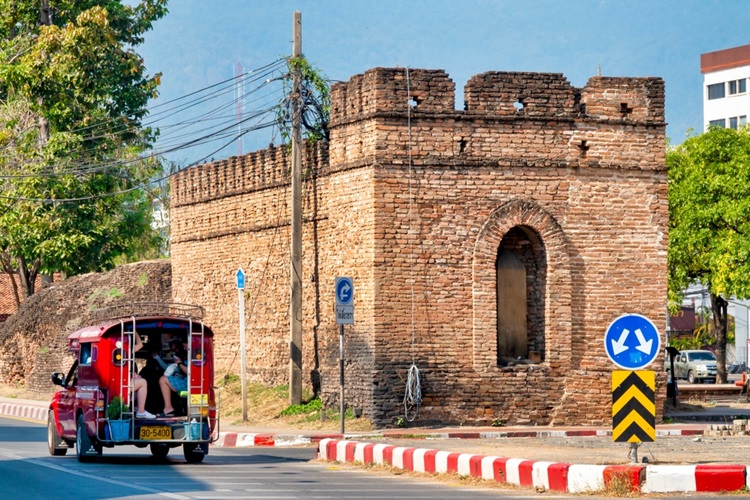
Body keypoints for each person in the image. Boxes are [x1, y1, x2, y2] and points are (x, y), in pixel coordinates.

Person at [158, 337, 188, 416]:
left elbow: (190, 372)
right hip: (185, 380)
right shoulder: (183, 355)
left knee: (163, 380)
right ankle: (168, 407)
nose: (184, 347)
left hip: (188, 382)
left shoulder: (188, 355)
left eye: (184, 345)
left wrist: (179, 364)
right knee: (163, 379)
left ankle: (168, 407)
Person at [133, 331, 156, 419]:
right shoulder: (127, 349)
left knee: (140, 379)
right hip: (122, 383)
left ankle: (136, 407)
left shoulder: (125, 349)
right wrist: (134, 331)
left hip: (123, 382)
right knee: (143, 382)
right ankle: (141, 411)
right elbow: (140, 345)